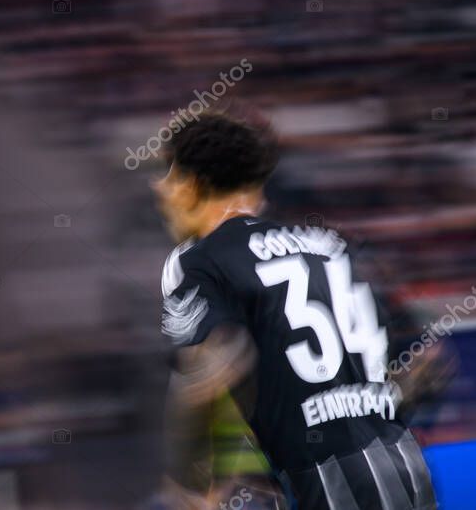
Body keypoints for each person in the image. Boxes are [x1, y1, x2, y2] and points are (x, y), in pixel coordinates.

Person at [154, 108, 437, 510]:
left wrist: (186, 485)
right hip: (405, 470)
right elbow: (427, 363)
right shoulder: (335, 245)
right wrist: (363, 414)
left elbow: (206, 376)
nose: (161, 190)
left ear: (192, 184)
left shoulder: (198, 260)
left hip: (322, 485)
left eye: (168, 175)